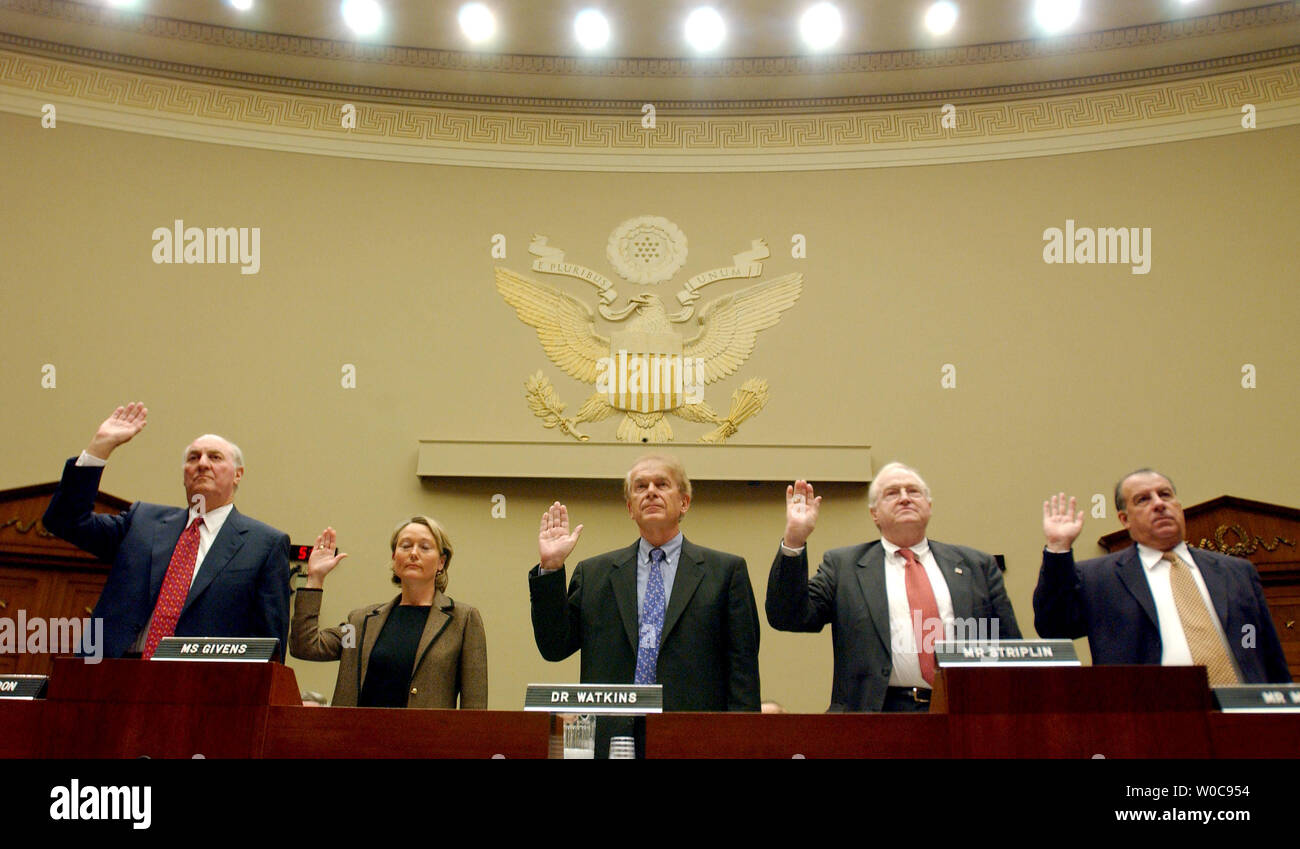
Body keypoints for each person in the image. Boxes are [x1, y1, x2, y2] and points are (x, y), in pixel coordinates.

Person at [767, 463, 1021, 712]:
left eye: (913, 491)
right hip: (877, 715)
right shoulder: (844, 567)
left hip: (966, 710)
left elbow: (1011, 648)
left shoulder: (977, 566)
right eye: (892, 493)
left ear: (929, 506)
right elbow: (788, 616)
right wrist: (795, 539)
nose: (905, 498)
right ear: (874, 513)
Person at [42, 403, 290, 659]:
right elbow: (65, 521)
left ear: (238, 474)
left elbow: (269, 647)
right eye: (193, 458)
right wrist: (99, 447)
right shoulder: (142, 522)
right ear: (184, 475)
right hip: (110, 673)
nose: (202, 464)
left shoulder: (265, 545)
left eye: (214, 457)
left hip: (199, 684)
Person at [528, 454, 760, 715]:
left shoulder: (725, 573)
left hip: (693, 736)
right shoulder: (593, 575)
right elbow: (554, 647)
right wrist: (551, 567)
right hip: (612, 736)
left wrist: (743, 742)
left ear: (684, 502)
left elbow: (744, 673)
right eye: (640, 486)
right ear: (630, 508)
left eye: (662, 484)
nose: (650, 492)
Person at [1035, 469, 1290, 684]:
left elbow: (1266, 650)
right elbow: (1054, 627)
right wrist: (1058, 548)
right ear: (1125, 519)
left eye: (1165, 495)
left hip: (1243, 713)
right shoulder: (1098, 578)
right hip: (1152, 720)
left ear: (1179, 506)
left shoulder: (1236, 572)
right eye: (1143, 500)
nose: (1159, 504)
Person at [290, 519, 487, 708]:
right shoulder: (362, 622)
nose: (413, 553)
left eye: (425, 547)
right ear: (394, 558)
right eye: (405, 546)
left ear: (441, 563)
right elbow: (305, 646)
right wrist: (315, 579)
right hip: (356, 738)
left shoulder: (462, 620)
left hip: (426, 739)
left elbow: (475, 705)